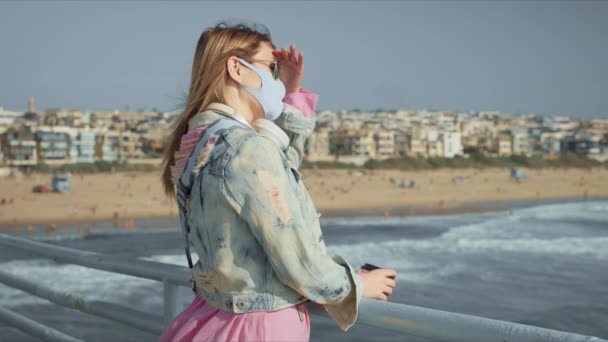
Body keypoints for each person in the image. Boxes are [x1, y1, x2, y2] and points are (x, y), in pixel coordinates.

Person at [159, 21, 397, 342]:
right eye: (271, 68)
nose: (276, 81)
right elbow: (298, 261)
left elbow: (274, 181)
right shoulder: (246, 148)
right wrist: (355, 285)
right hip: (259, 326)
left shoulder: (198, 142)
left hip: (211, 316)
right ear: (236, 68)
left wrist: (292, 95)